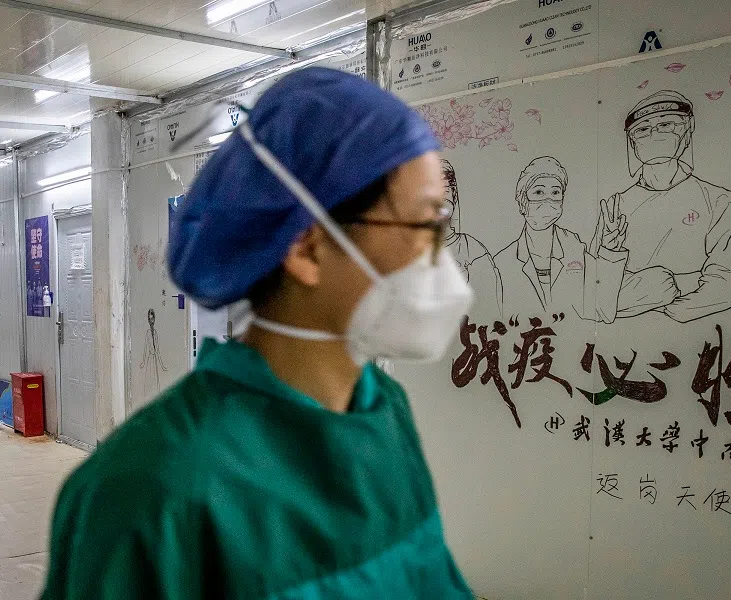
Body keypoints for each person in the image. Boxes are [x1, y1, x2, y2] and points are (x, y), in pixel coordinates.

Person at [42, 68, 474, 599]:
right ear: (308, 249)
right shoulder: (150, 491)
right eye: (425, 225)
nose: (440, 256)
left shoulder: (382, 412)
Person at [589, 90, 731, 323]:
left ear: (687, 131)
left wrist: (671, 308)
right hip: (621, 333)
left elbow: (728, 280)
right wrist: (611, 256)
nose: (654, 134)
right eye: (643, 130)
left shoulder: (720, 201)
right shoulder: (616, 205)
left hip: (696, 329)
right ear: (632, 141)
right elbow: (594, 291)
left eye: (666, 125)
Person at [493, 156, 627, 322]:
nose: (548, 200)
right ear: (522, 201)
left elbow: (602, 311)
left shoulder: (575, 248)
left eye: (555, 192)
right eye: (539, 192)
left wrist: (610, 252)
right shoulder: (502, 263)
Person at [441, 159, 503, 317]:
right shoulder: (401, 252)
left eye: (445, 190)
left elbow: (493, 313)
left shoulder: (473, 251)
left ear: (454, 197)